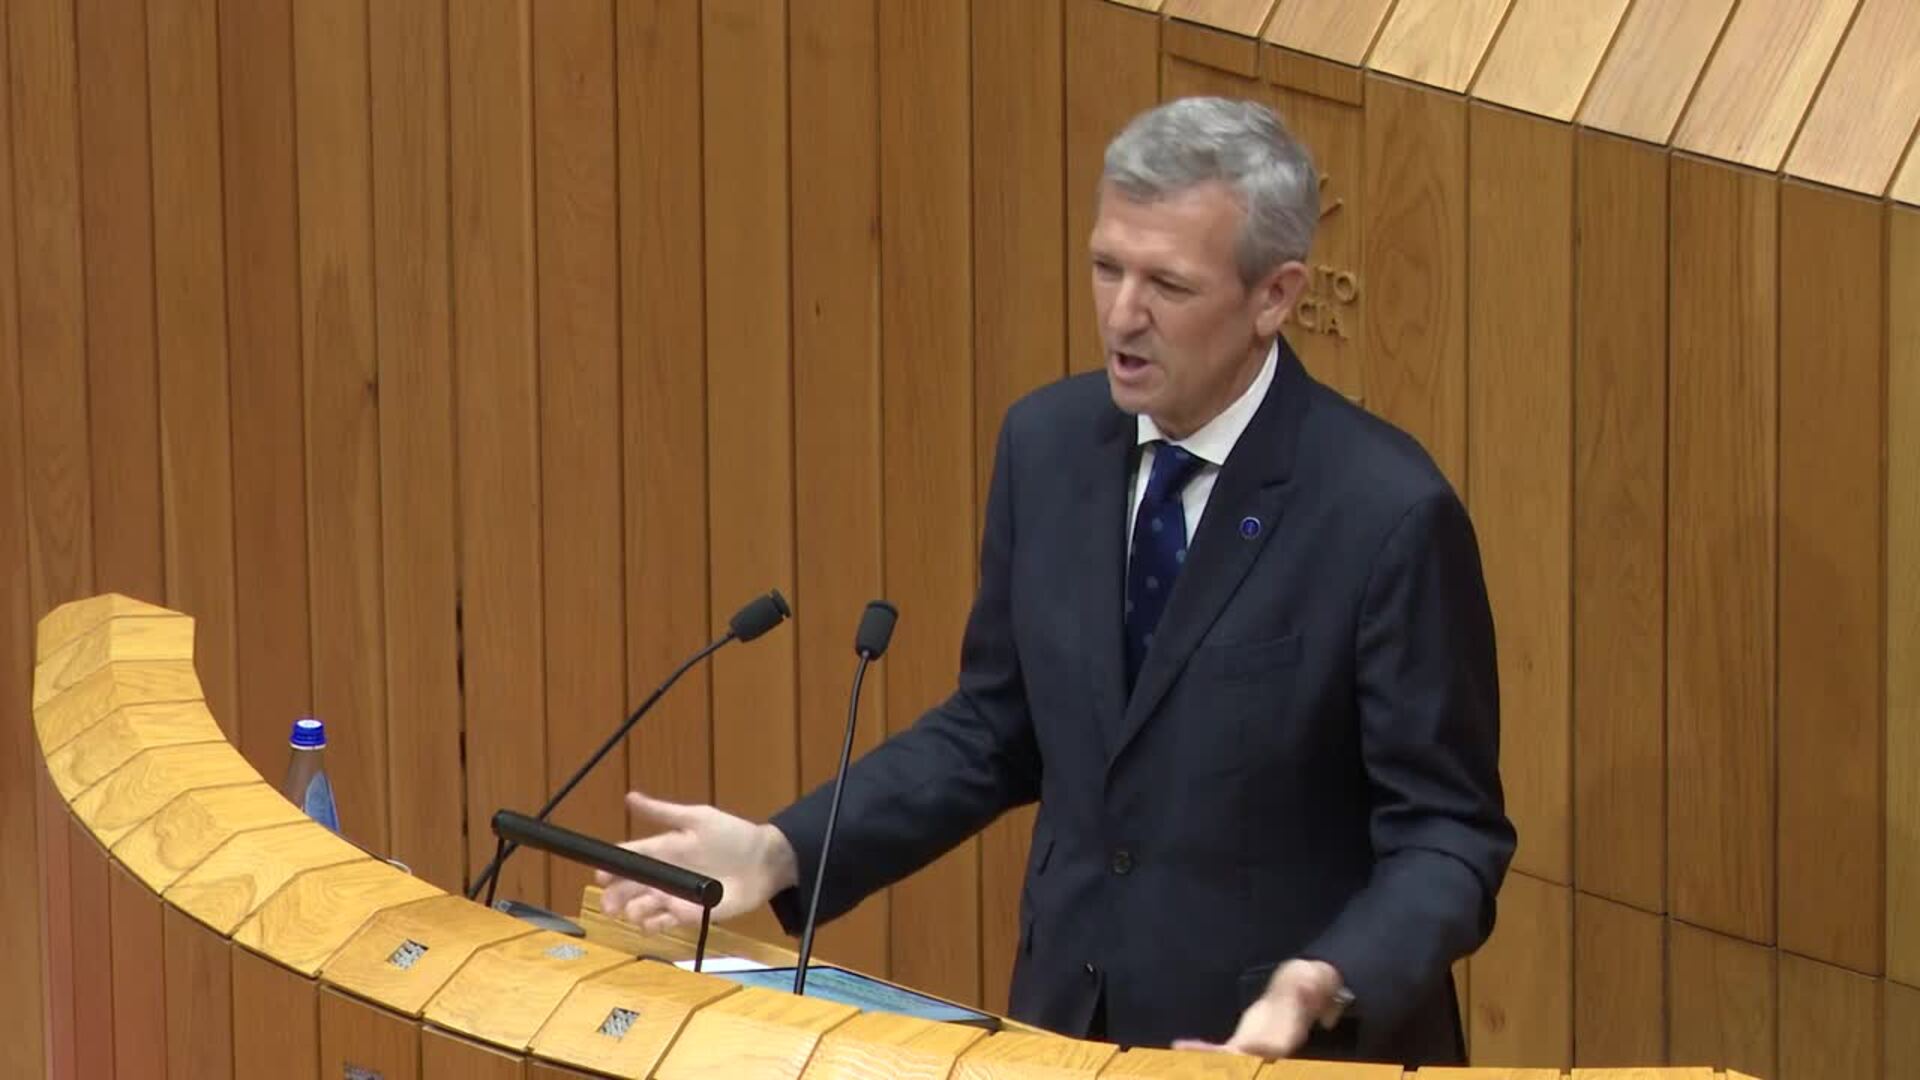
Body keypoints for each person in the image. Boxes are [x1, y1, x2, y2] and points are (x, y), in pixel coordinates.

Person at [599, 96, 1514, 1065]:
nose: (1122, 315)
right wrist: (784, 850)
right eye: (1107, 267)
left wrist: (1325, 979)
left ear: (1274, 297)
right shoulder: (1048, 446)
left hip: (1285, 1053)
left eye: (1168, 284)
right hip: (1068, 1036)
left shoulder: (1383, 513)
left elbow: (1449, 838)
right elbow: (996, 730)